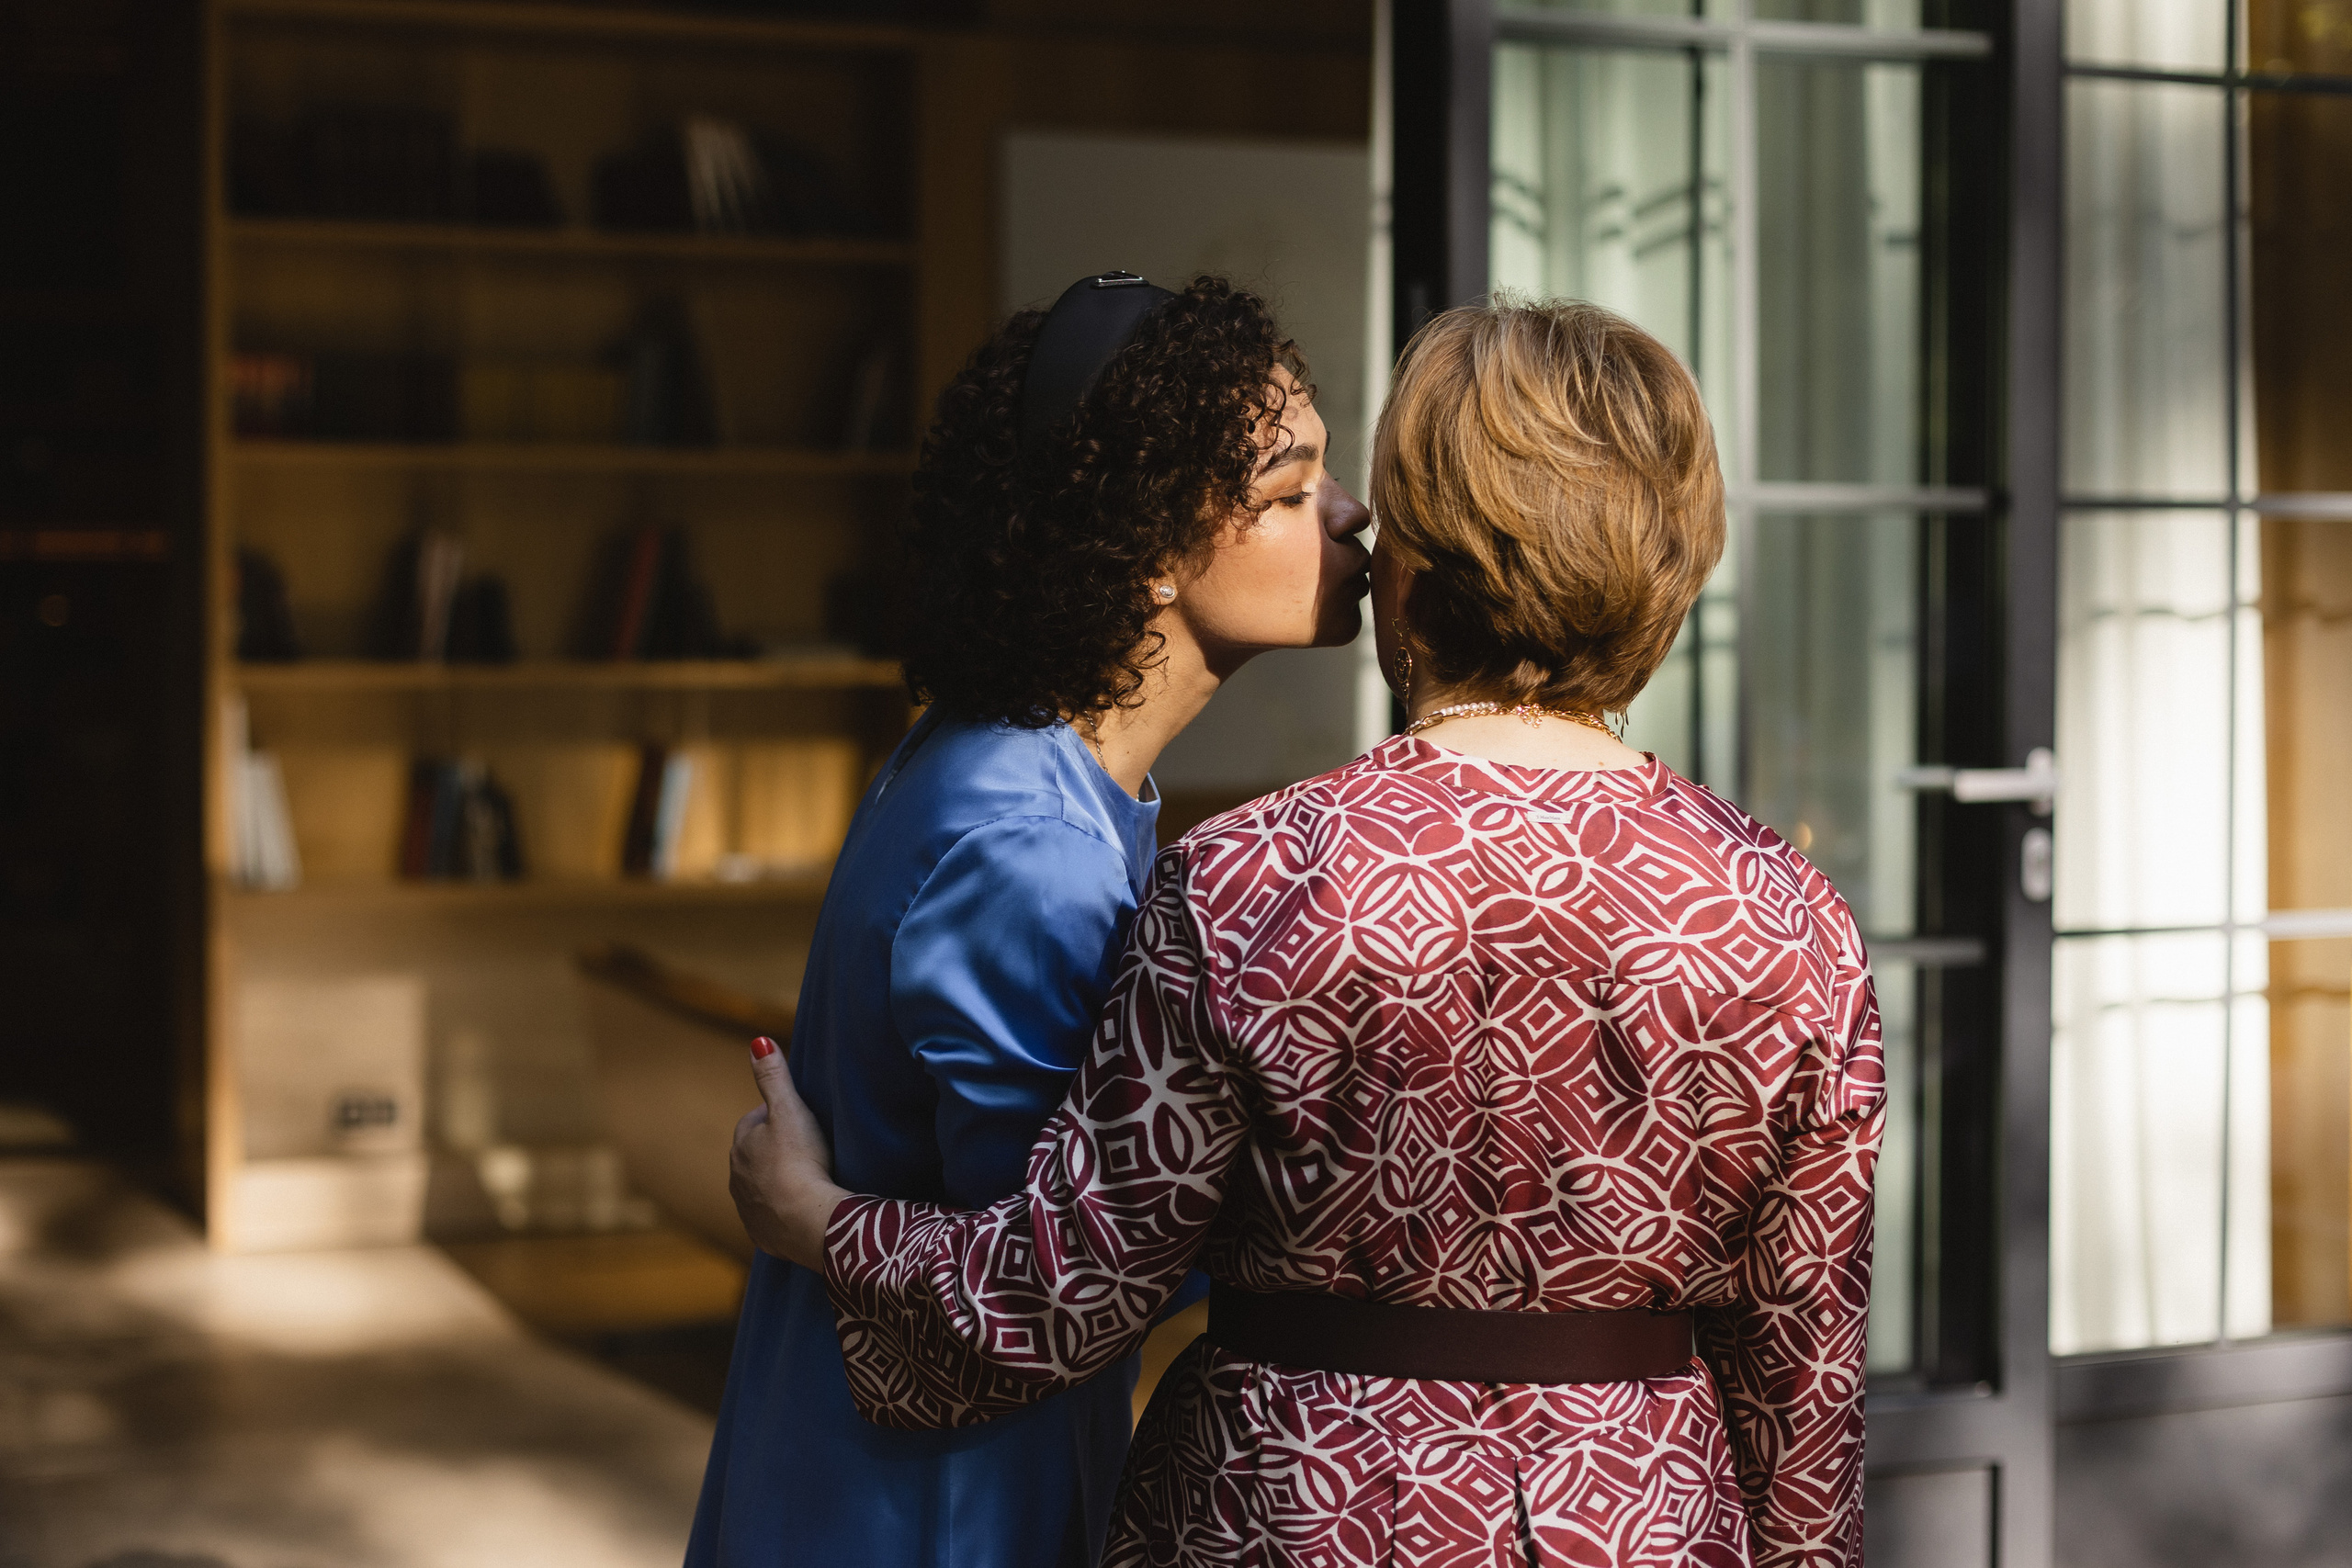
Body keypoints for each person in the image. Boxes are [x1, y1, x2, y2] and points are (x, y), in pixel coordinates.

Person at [733, 297, 1884, 1568]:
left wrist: (822, 1220)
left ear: (1420, 564)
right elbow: (1805, 1391)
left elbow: (1059, 1294)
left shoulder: (1250, 881)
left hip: (1295, 1513)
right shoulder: (1790, 918)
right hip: (1642, 1520)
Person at [684, 272, 1372, 1568]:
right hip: (931, 1506)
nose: (1348, 516)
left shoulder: (1002, 762)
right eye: (1288, 493)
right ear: (1155, 557)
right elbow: (1065, 1274)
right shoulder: (1029, 847)